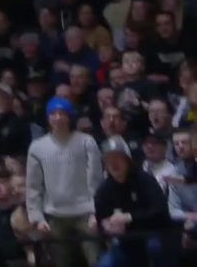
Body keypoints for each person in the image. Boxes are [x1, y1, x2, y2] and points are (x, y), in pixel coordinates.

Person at [25, 97, 103, 267]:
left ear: (70, 117)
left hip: (85, 213)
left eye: (62, 114)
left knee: (96, 259)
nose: (58, 118)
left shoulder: (86, 142)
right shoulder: (38, 147)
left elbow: (96, 180)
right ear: (48, 117)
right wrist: (37, 218)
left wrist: (96, 212)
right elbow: (33, 186)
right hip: (54, 215)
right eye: (53, 114)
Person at [94, 135, 174, 267]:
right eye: (109, 160)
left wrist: (129, 217)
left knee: (155, 250)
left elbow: (161, 211)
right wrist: (105, 226)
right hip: (124, 242)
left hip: (151, 236)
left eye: (117, 158)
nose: (113, 164)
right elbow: (100, 218)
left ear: (127, 160)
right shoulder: (104, 189)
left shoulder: (144, 180)